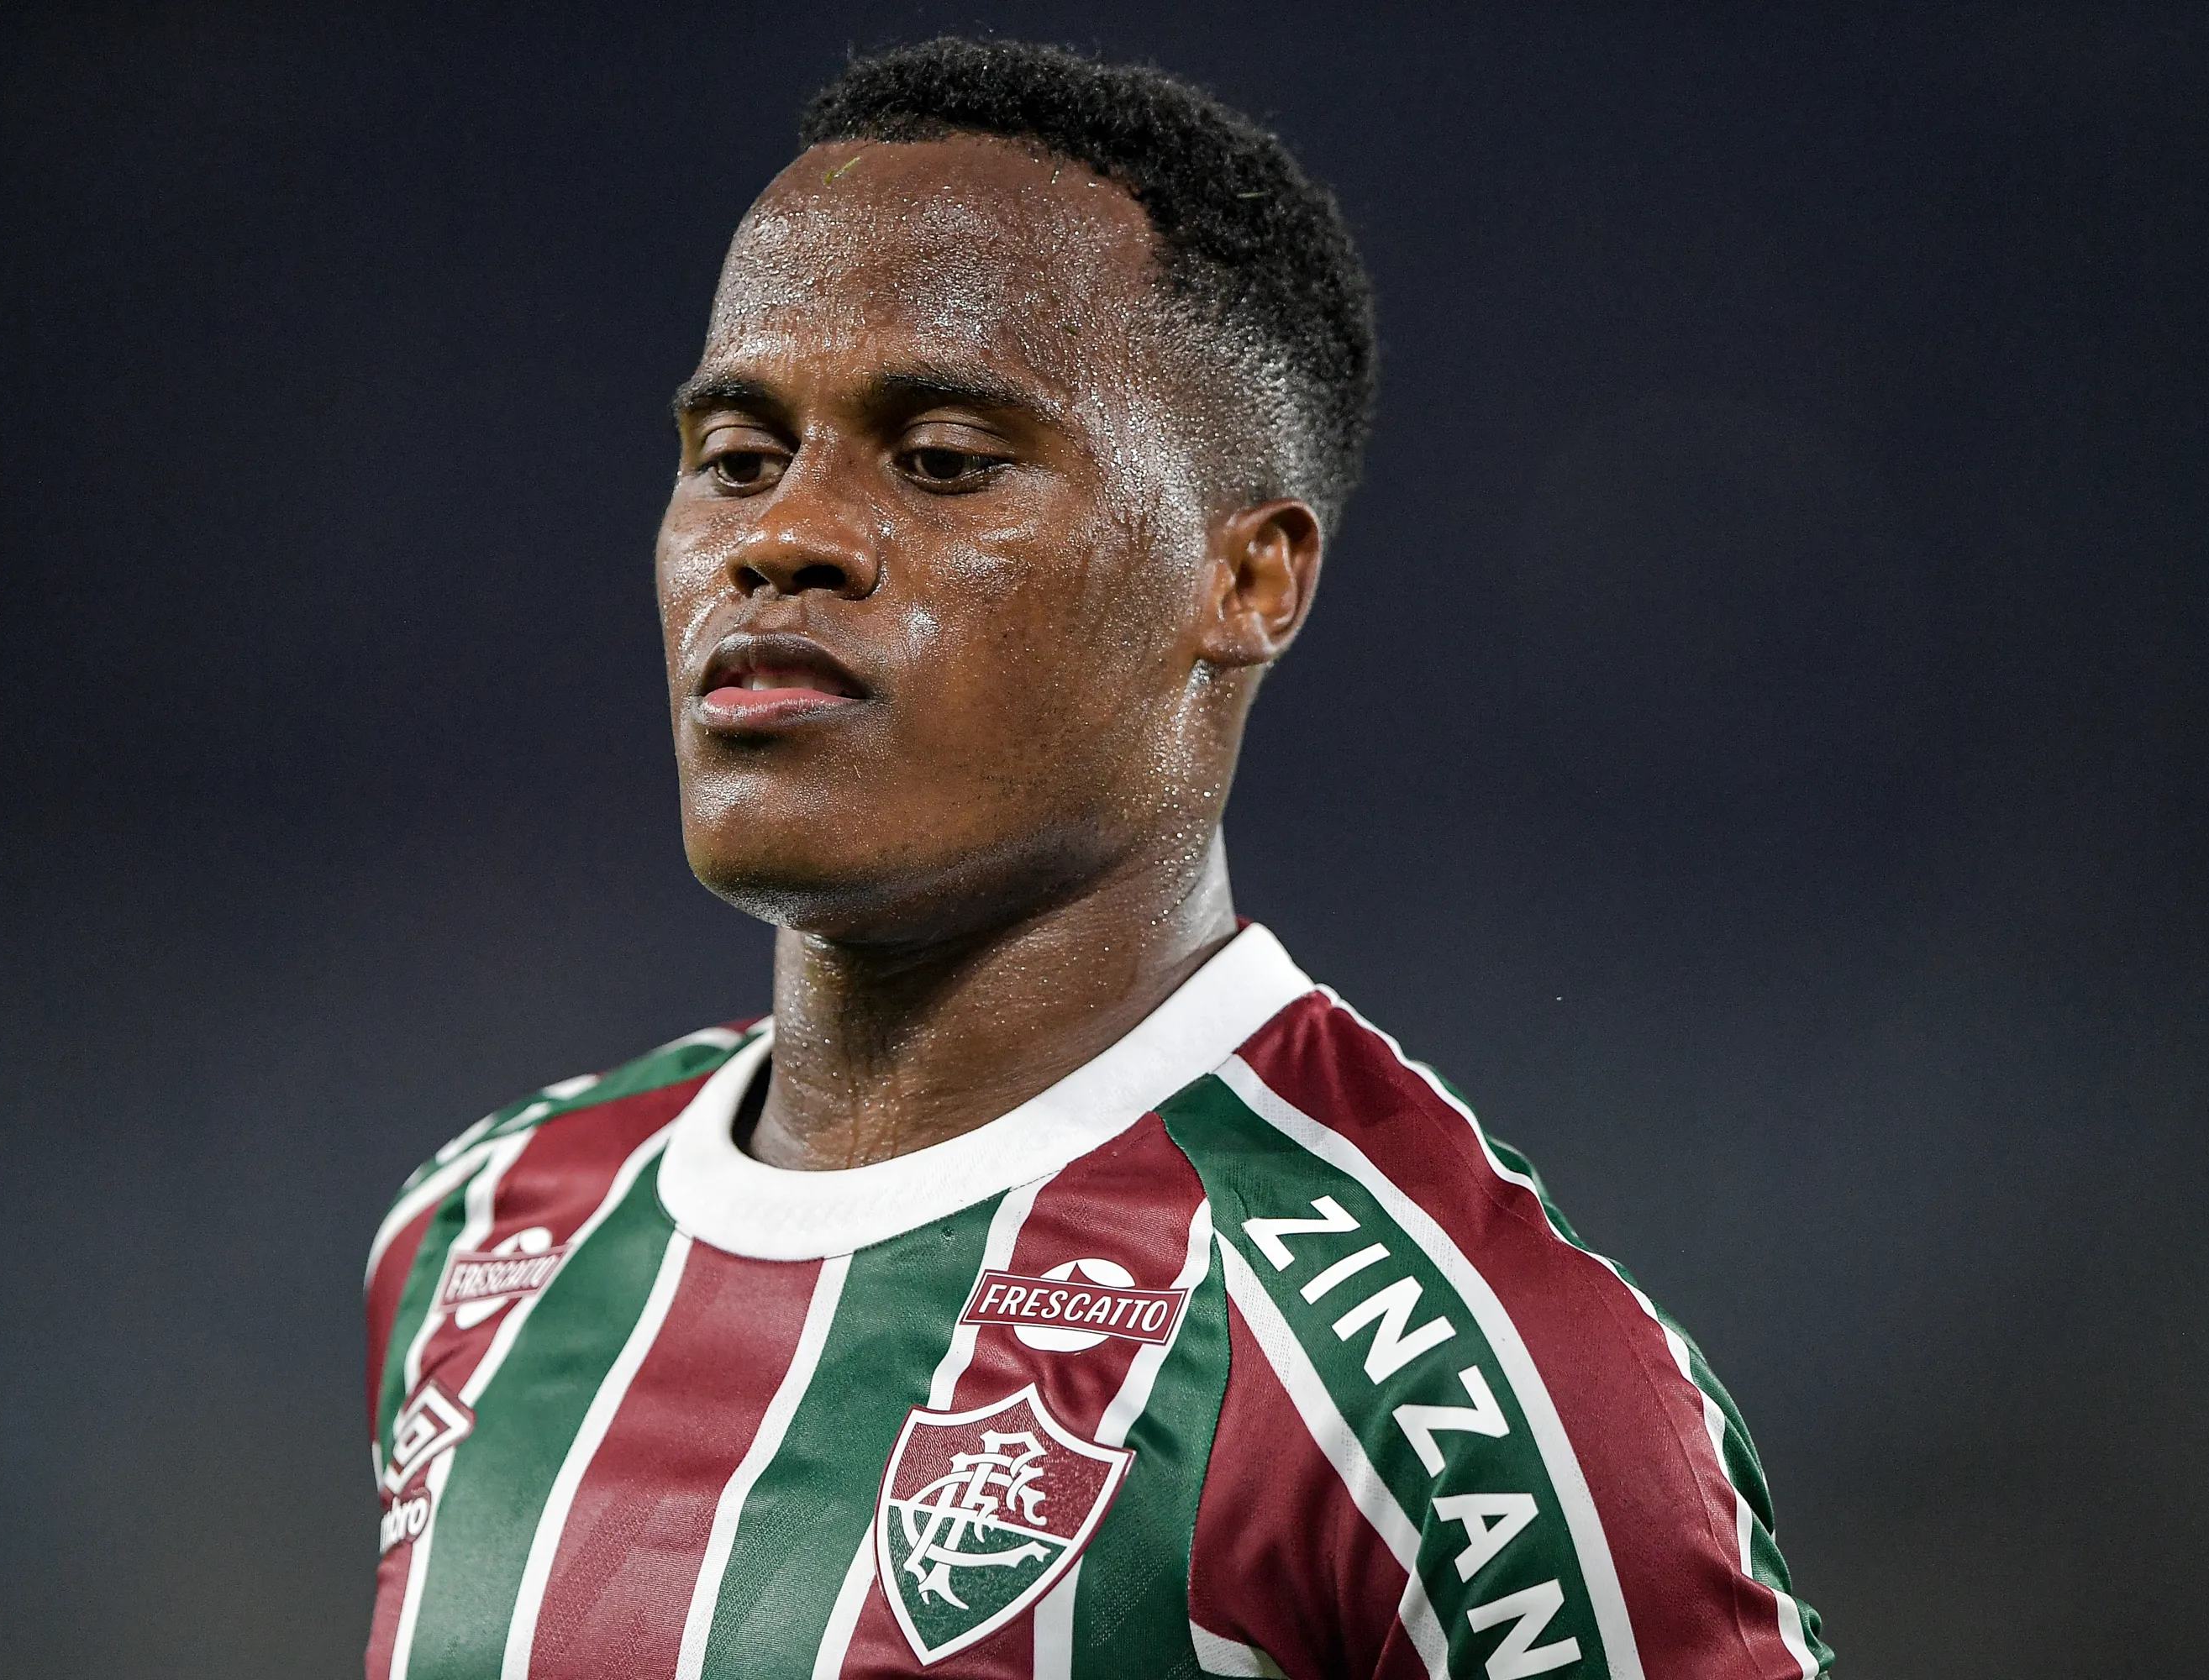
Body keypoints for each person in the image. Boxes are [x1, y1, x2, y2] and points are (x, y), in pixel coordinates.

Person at [361, 37, 1832, 1680]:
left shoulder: (1447, 1384)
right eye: (736, 454)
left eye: (942, 460)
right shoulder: (492, 1226)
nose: (782, 536)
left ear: (1248, 578)